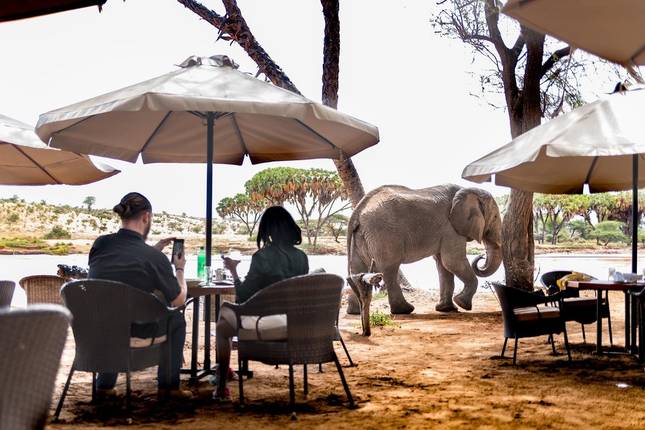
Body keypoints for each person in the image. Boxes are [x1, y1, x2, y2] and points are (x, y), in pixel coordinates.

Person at [88, 192, 189, 399]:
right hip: (134, 333)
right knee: (177, 319)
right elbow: (178, 300)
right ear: (146, 217)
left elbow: (119, 269)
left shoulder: (100, 244)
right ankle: (169, 388)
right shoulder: (153, 257)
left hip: (98, 331)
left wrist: (154, 251)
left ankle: (104, 386)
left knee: (113, 313)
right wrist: (179, 269)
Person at [214, 206, 309, 401]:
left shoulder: (262, 257)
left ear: (267, 230)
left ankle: (222, 386)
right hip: (294, 326)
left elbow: (243, 296)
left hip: (266, 327)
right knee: (227, 313)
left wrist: (233, 271)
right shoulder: (302, 258)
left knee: (223, 321)